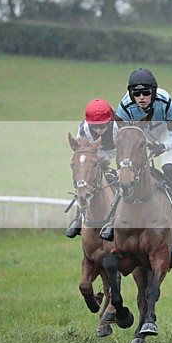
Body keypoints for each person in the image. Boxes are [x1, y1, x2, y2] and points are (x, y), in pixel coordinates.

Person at [99, 68, 172, 240]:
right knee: (124, 174)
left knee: (169, 168)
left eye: (146, 93)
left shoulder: (166, 101)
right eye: (136, 93)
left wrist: (162, 147)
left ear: (153, 92)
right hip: (138, 137)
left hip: (165, 134)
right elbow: (122, 135)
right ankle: (111, 222)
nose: (141, 98)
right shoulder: (125, 106)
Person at [66, 98, 119, 238]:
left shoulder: (119, 125)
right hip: (98, 150)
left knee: (124, 177)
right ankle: (79, 217)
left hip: (119, 148)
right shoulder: (83, 129)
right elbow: (83, 153)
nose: (99, 130)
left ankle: (120, 218)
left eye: (103, 125)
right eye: (95, 126)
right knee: (88, 180)